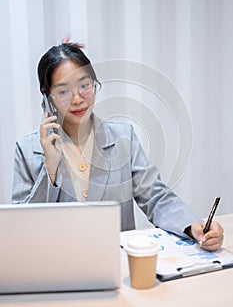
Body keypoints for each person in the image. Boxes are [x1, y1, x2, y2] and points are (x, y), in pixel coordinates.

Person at [12, 41, 223, 251]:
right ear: (46, 95)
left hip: (115, 262)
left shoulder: (123, 138)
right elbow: (22, 230)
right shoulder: (26, 149)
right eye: (64, 91)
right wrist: (49, 169)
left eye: (85, 86)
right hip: (55, 265)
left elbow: (156, 197)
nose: (78, 99)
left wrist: (192, 226)